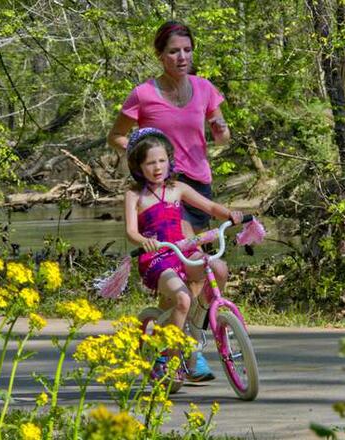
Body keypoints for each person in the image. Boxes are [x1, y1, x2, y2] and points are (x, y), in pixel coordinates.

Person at [123, 128, 242, 383]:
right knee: (182, 298)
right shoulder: (134, 195)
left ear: (169, 161)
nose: (157, 167)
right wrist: (146, 242)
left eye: (162, 161)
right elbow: (131, 231)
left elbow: (208, 206)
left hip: (182, 250)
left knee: (219, 269)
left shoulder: (177, 188)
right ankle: (170, 357)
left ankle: (196, 328)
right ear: (138, 166)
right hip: (157, 257)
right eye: (150, 163)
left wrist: (230, 215)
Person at [108, 20, 231, 234]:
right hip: (162, 184)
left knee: (195, 254)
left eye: (187, 50)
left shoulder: (205, 88)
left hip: (199, 182)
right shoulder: (143, 94)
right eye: (174, 51)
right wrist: (143, 155)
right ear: (160, 55)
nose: (182, 57)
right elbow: (115, 136)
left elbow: (223, 139)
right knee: (190, 250)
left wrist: (221, 131)